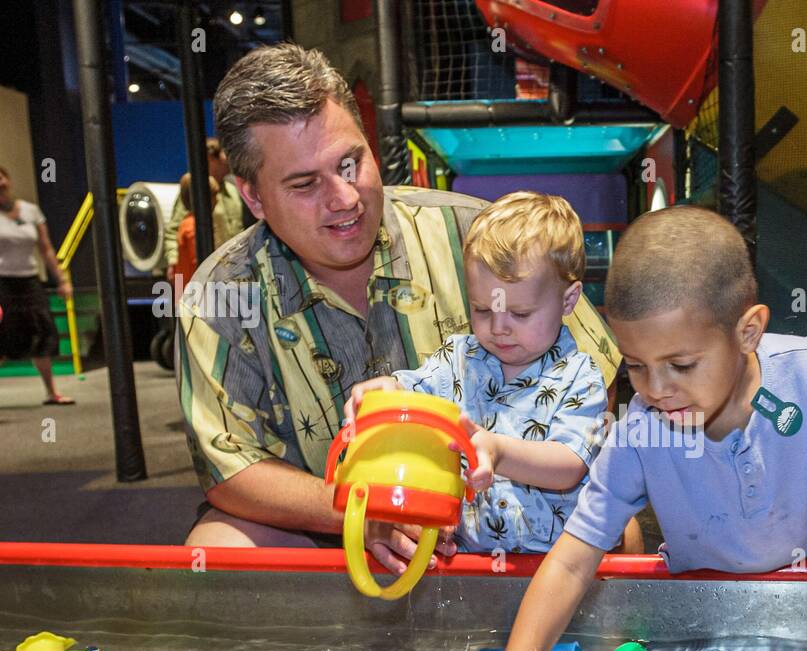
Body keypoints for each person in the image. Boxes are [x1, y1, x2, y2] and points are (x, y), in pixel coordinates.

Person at [435, 206, 807, 651]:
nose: (659, 389)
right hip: (702, 622)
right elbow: (571, 562)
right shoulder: (641, 429)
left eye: (682, 364)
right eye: (637, 366)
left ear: (748, 330)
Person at [176, 44, 622, 570]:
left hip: (503, 512)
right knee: (216, 554)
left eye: (350, 163)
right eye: (304, 184)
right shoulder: (220, 298)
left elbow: (598, 372)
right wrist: (364, 512)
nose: (344, 197)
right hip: (328, 526)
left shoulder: (476, 236)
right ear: (253, 198)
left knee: (621, 531)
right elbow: (231, 470)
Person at [343, 191, 626, 566]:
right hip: (465, 562)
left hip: (554, 568)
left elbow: (569, 465)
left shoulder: (580, 377)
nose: (498, 328)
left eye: (520, 314)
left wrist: (499, 451)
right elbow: (413, 392)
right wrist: (387, 389)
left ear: (568, 300)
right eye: (482, 309)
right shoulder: (457, 357)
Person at [0, 164, 75, 405]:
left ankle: (52, 392)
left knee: (43, 332)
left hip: (30, 280)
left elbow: (46, 249)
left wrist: (61, 280)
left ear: (8, 179)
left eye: (1, 178)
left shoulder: (31, 211)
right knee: (5, 335)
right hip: (2, 283)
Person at [163, 138, 244, 285]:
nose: (230, 159)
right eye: (224, 153)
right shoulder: (194, 190)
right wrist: (173, 261)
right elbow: (175, 229)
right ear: (210, 157)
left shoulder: (232, 190)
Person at [172, 173, 221, 308]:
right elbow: (201, 265)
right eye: (213, 196)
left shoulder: (188, 223)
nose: (217, 201)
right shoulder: (193, 227)